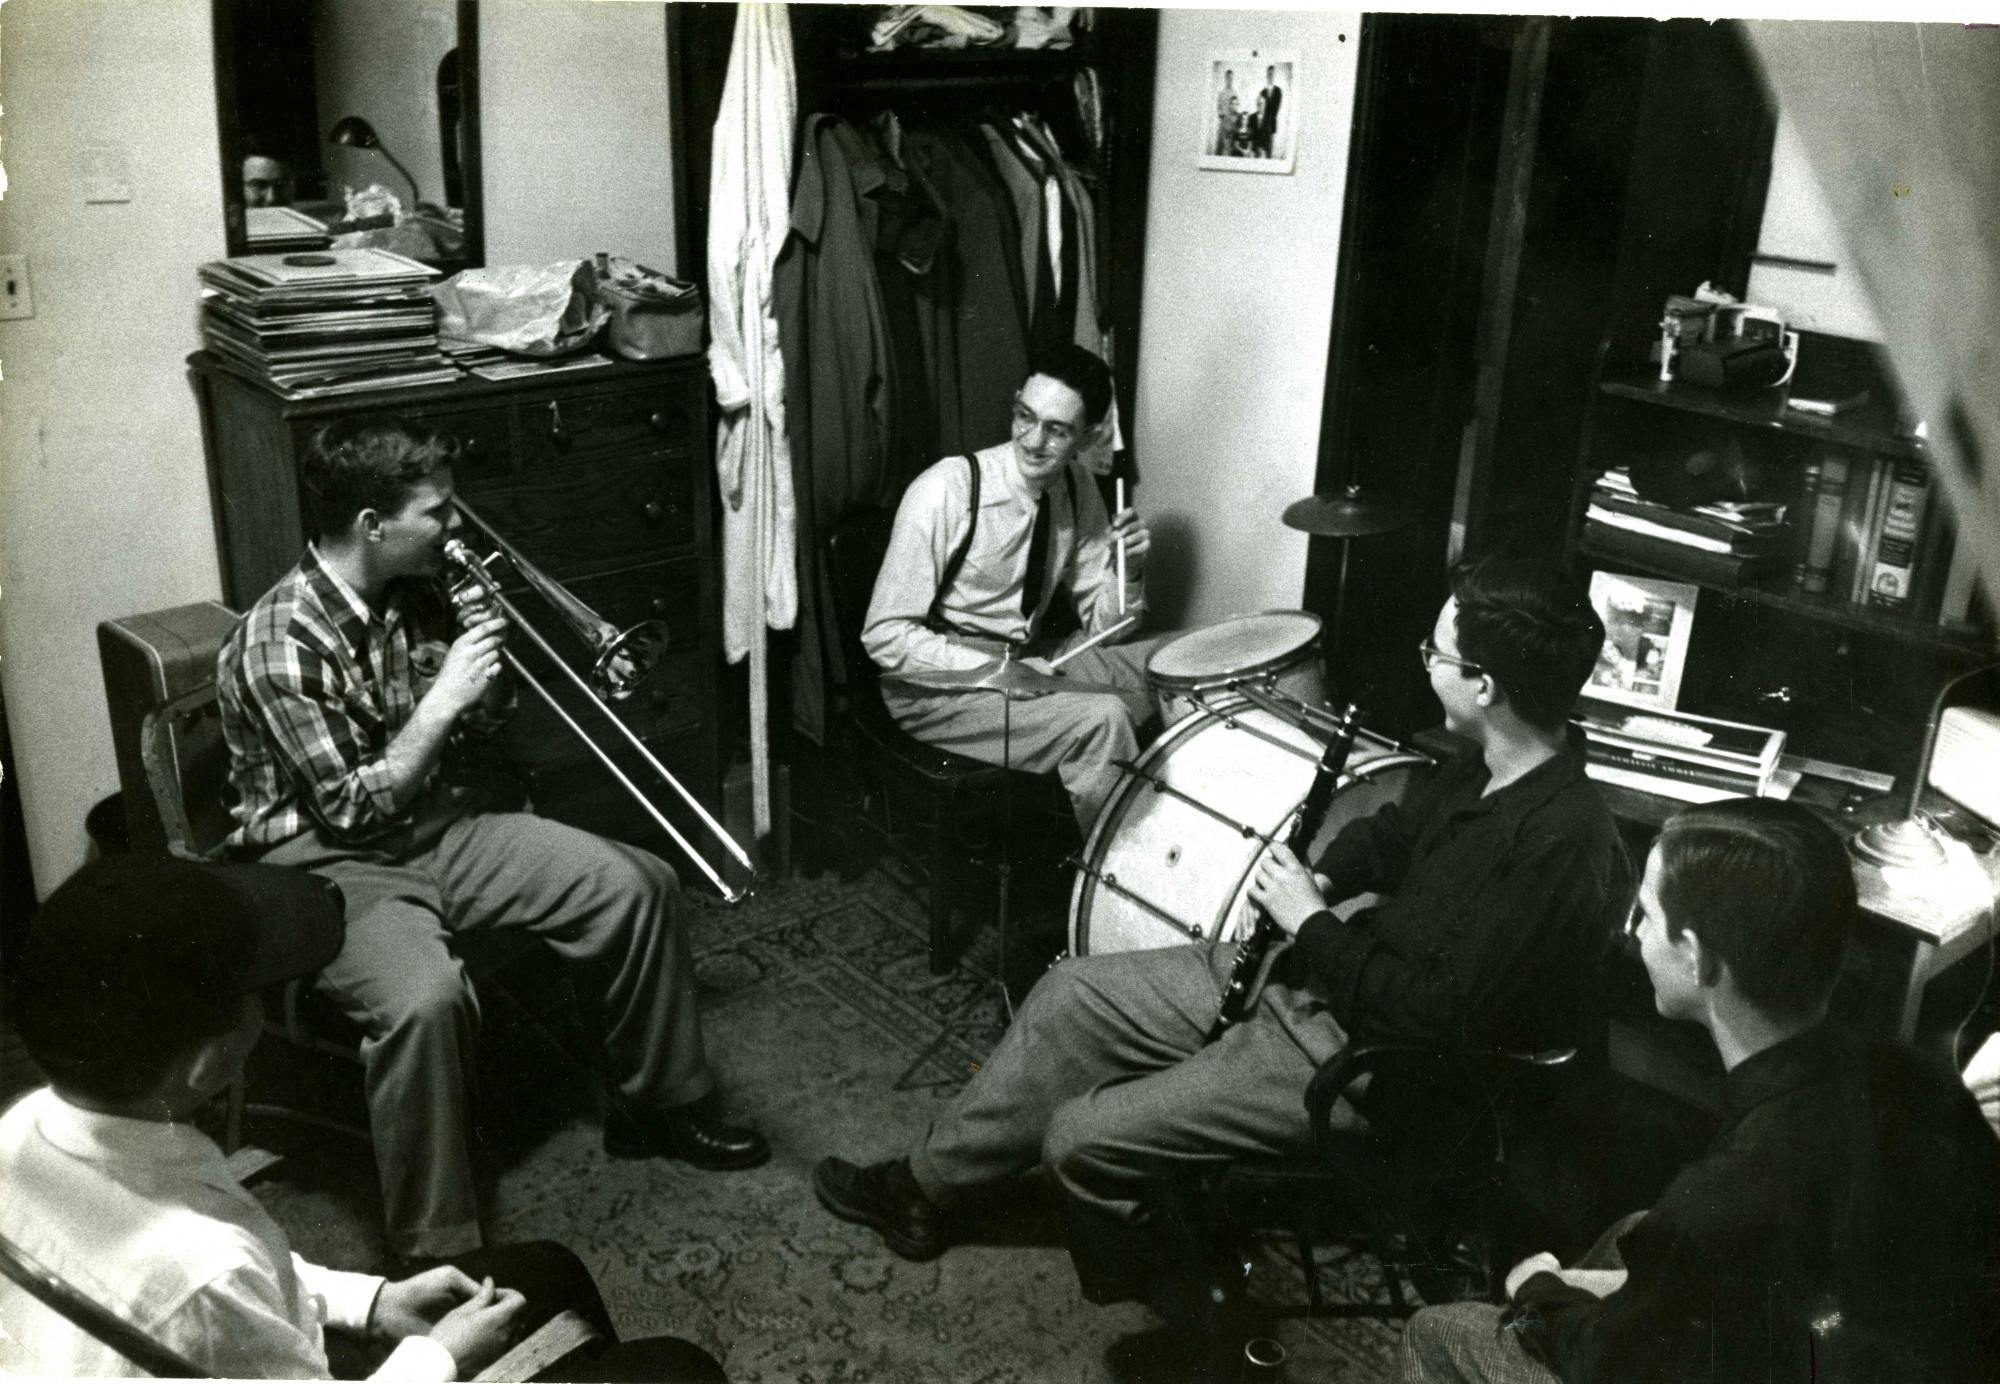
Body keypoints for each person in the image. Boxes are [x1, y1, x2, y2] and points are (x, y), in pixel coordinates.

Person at [817, 555, 1627, 1319]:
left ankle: (1194, 1304)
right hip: (1322, 977)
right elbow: (1388, 834)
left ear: (1484, 685)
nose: (1426, 664)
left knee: (1079, 1142)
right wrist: (1323, 880)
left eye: (1437, 653)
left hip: (1370, 1067)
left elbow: (1433, 1016)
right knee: (1070, 994)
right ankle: (924, 1184)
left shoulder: (1558, 845)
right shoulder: (1481, 761)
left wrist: (1310, 919)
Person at [216, 416, 766, 1263]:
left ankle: (656, 1103)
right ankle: (437, 1246)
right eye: (435, 513)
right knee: (427, 1002)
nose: (454, 528)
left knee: (641, 882)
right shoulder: (278, 641)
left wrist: (482, 680)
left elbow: (474, 738)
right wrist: (441, 703)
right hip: (327, 865)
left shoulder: (415, 591)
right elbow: (352, 811)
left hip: (437, 824)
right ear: (373, 525)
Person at [0, 855, 726, 1382]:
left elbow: (244, 1299)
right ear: (202, 1066)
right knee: (676, 1370)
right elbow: (221, 1291)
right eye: (255, 992)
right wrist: (441, 1357)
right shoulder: (199, 1270)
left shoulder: (25, 1127)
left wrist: (374, 1302)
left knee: (548, 1271)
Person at [1396, 799, 2000, 1384]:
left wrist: (1541, 1289)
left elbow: (1606, 1360)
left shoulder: (1727, 1197)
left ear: (1697, 959)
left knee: (1438, 1329)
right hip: (1865, 1338)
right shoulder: (1915, 1076)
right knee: (1635, 1229)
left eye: (1647, 918)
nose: (1633, 936)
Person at [862, 344, 1156, 833]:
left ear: (1088, 437)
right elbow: (885, 635)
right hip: (936, 687)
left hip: (1026, 661)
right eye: (1025, 416)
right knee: (1104, 717)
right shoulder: (948, 489)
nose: (1033, 440)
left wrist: (1129, 571)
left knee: (1174, 664)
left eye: (1057, 430)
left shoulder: (1077, 488)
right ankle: (1115, 890)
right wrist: (997, 671)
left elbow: (1107, 631)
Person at [1254, 67, 1284, 158]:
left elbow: (1276, 108)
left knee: (1269, 149)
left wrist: (1268, 118)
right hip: (1262, 125)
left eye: (1272, 74)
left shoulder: (1278, 91)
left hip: (1271, 125)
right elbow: (1260, 107)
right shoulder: (1262, 92)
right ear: (1267, 75)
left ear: (1274, 76)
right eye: (1269, 74)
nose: (1270, 76)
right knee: (1259, 149)